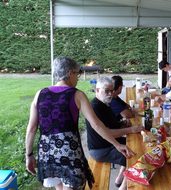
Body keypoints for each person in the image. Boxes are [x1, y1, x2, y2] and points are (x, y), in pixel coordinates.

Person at [25, 57, 135, 190]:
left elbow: (31, 129)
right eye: (77, 74)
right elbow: (97, 125)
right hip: (69, 152)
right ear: (70, 73)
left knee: (59, 187)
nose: (77, 78)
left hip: (47, 153)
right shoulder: (77, 95)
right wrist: (117, 145)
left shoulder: (39, 94)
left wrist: (29, 155)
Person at [85, 77, 143, 190]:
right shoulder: (96, 107)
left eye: (111, 91)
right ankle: (122, 187)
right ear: (97, 90)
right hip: (101, 150)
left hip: (108, 144)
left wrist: (122, 124)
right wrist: (131, 129)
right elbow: (108, 133)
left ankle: (120, 178)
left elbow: (111, 125)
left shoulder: (105, 103)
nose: (110, 94)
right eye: (106, 91)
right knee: (136, 156)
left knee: (136, 145)